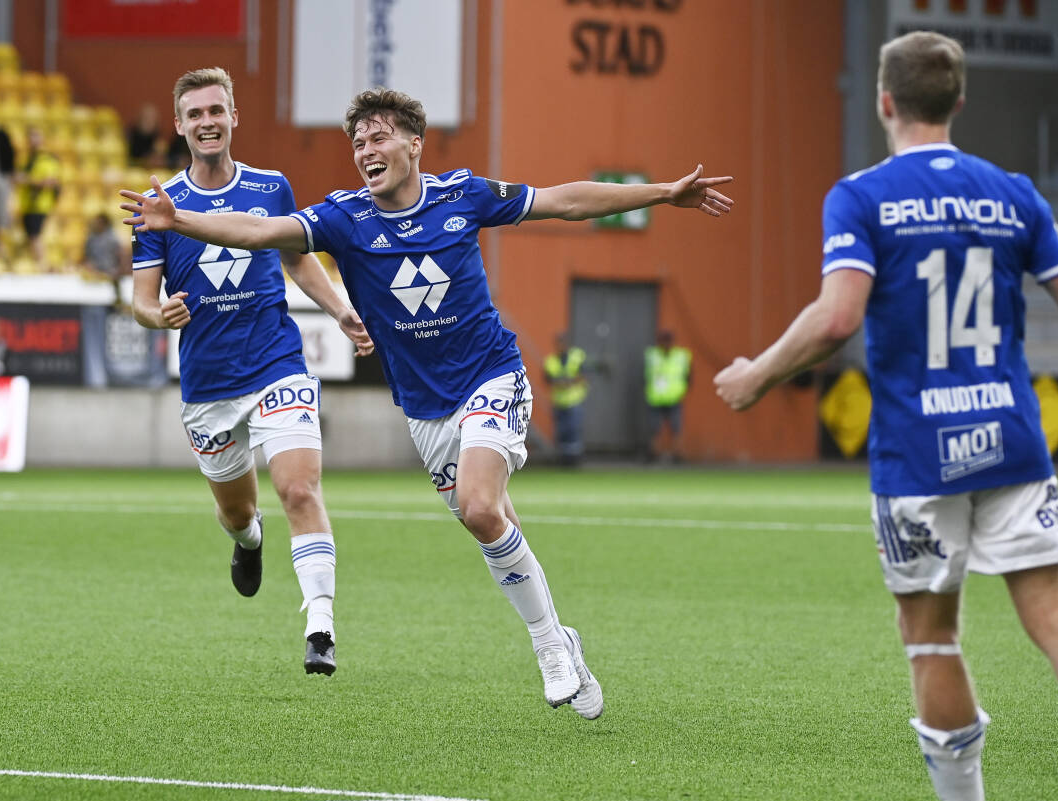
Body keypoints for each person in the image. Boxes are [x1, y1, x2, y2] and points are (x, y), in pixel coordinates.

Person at [714, 31, 1058, 801]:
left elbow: (839, 316)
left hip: (919, 453)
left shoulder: (860, 197)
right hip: (1009, 437)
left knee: (932, 637)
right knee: (1053, 614)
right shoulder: (1012, 194)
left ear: (885, 102)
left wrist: (758, 376)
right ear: (957, 102)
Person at [122, 87, 733, 717]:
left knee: (477, 507)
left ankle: (548, 643)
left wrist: (661, 193)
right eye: (358, 142)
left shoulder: (461, 195)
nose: (366, 151)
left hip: (490, 376)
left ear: (415, 143)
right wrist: (184, 221)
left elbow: (564, 200)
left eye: (380, 137)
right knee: (493, 520)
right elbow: (260, 231)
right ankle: (563, 635)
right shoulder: (342, 218)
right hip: (424, 408)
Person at [125, 68, 375, 675]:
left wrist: (342, 308)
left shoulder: (271, 188)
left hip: (277, 365)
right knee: (237, 513)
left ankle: (320, 623)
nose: (207, 122)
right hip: (208, 386)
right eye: (195, 114)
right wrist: (160, 317)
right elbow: (140, 300)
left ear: (234, 117)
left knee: (298, 487)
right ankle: (249, 540)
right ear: (180, 126)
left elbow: (299, 260)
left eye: (217, 110)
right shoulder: (160, 206)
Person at [16, 127, 61, 270]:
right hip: (28, 204)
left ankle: (42, 265)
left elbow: (51, 181)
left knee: (35, 235)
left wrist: (27, 180)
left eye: (35, 137)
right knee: (30, 236)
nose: (31, 141)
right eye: (30, 137)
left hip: (39, 203)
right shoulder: (28, 159)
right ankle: (37, 264)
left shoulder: (46, 158)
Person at [644, 329, 691, 462]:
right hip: (655, 398)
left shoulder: (681, 356)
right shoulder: (652, 355)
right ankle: (653, 454)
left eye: (668, 342)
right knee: (654, 428)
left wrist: (683, 391)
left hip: (674, 397)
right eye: (663, 342)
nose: (666, 345)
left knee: (676, 428)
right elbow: (645, 375)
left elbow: (688, 376)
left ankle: (678, 455)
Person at [542, 332, 588, 466]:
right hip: (558, 402)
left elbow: (583, 375)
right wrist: (560, 384)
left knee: (574, 431)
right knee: (561, 432)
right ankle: (563, 460)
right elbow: (547, 379)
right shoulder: (551, 360)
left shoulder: (577, 357)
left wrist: (568, 383)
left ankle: (575, 461)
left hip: (574, 401)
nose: (561, 346)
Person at [127, 102, 167, 169]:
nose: (149, 122)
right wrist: (145, 161)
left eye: (152, 119)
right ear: (139, 119)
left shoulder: (158, 138)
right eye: (146, 118)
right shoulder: (130, 136)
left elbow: (165, 160)